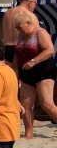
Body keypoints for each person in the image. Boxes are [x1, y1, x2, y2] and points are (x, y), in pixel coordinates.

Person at [11, 10, 57, 139]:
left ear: (28, 23)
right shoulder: (20, 36)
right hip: (26, 74)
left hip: (44, 71)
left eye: (20, 27)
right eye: (17, 28)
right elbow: (17, 55)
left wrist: (34, 61)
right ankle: (28, 134)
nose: (19, 30)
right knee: (26, 105)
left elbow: (49, 50)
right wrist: (14, 70)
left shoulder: (40, 33)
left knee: (47, 103)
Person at [3, 0, 38, 65]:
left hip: (7, 49)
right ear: (30, 3)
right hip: (21, 49)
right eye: (35, 4)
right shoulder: (29, 15)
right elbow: (37, 35)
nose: (35, 7)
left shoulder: (7, 13)